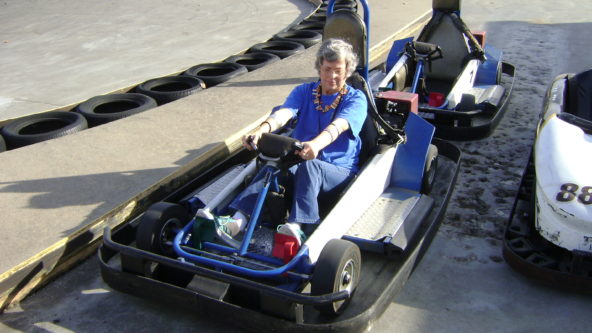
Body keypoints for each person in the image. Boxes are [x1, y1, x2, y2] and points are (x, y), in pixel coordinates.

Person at [217, 38, 368, 245]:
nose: (331, 76)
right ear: (319, 68)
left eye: (338, 70)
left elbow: (338, 127)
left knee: (310, 167)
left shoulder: (356, 99)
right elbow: (284, 114)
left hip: (338, 172)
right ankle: (237, 220)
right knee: (272, 167)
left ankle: (298, 227)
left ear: (347, 70)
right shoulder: (305, 92)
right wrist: (262, 131)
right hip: (303, 160)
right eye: (327, 69)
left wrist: (315, 144)